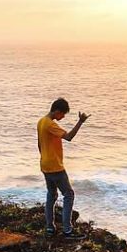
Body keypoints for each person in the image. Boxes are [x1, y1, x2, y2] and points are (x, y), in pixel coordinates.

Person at [36, 98, 90, 238]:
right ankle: (67, 230)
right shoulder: (50, 124)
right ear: (57, 111)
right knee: (69, 194)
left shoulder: (41, 121)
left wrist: (44, 159)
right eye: (63, 114)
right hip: (55, 166)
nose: (63, 117)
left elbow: (39, 144)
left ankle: (50, 227)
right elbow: (69, 137)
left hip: (45, 164)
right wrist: (80, 122)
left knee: (52, 195)